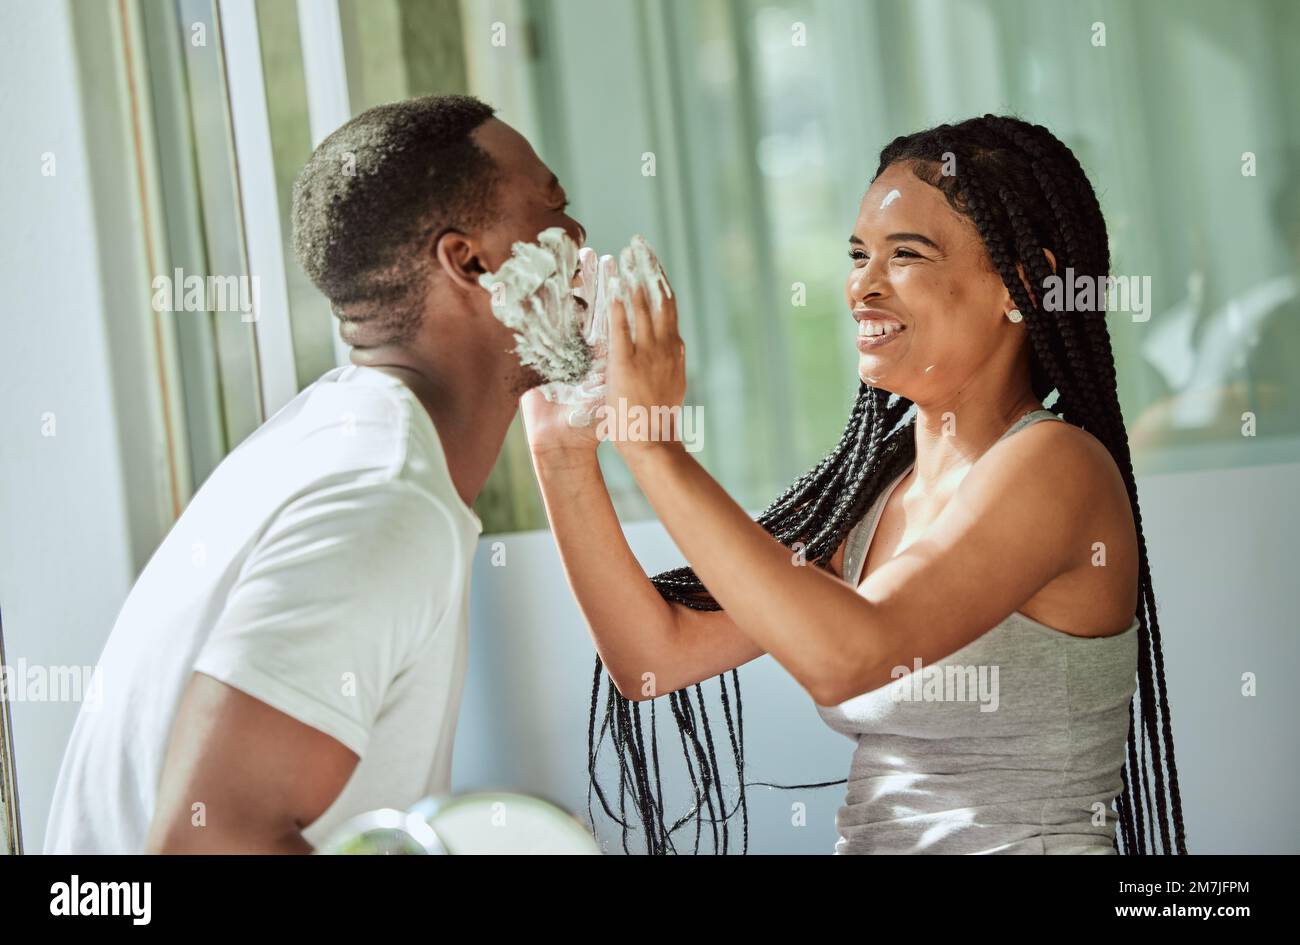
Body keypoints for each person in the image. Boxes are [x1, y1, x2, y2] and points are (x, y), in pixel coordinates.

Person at [523, 115, 1187, 854]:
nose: (862, 286)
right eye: (858, 254)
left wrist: (653, 447)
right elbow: (653, 659)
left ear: (1023, 283)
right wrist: (561, 454)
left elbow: (851, 656)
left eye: (906, 254)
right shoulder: (874, 493)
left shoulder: (1057, 466)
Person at [44, 94, 586, 853]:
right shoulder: (381, 498)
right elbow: (209, 843)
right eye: (553, 206)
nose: (580, 234)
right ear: (471, 262)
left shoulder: (335, 439)